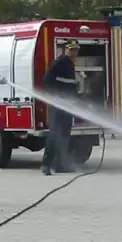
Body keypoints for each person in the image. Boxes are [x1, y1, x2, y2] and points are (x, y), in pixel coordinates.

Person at [41, 40, 80, 175]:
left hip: (68, 106)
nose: (74, 52)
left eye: (76, 50)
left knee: (64, 135)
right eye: (71, 50)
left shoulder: (70, 65)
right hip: (58, 106)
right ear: (65, 50)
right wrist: (56, 97)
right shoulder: (59, 62)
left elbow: (68, 86)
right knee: (54, 135)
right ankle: (46, 165)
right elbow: (46, 81)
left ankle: (61, 165)